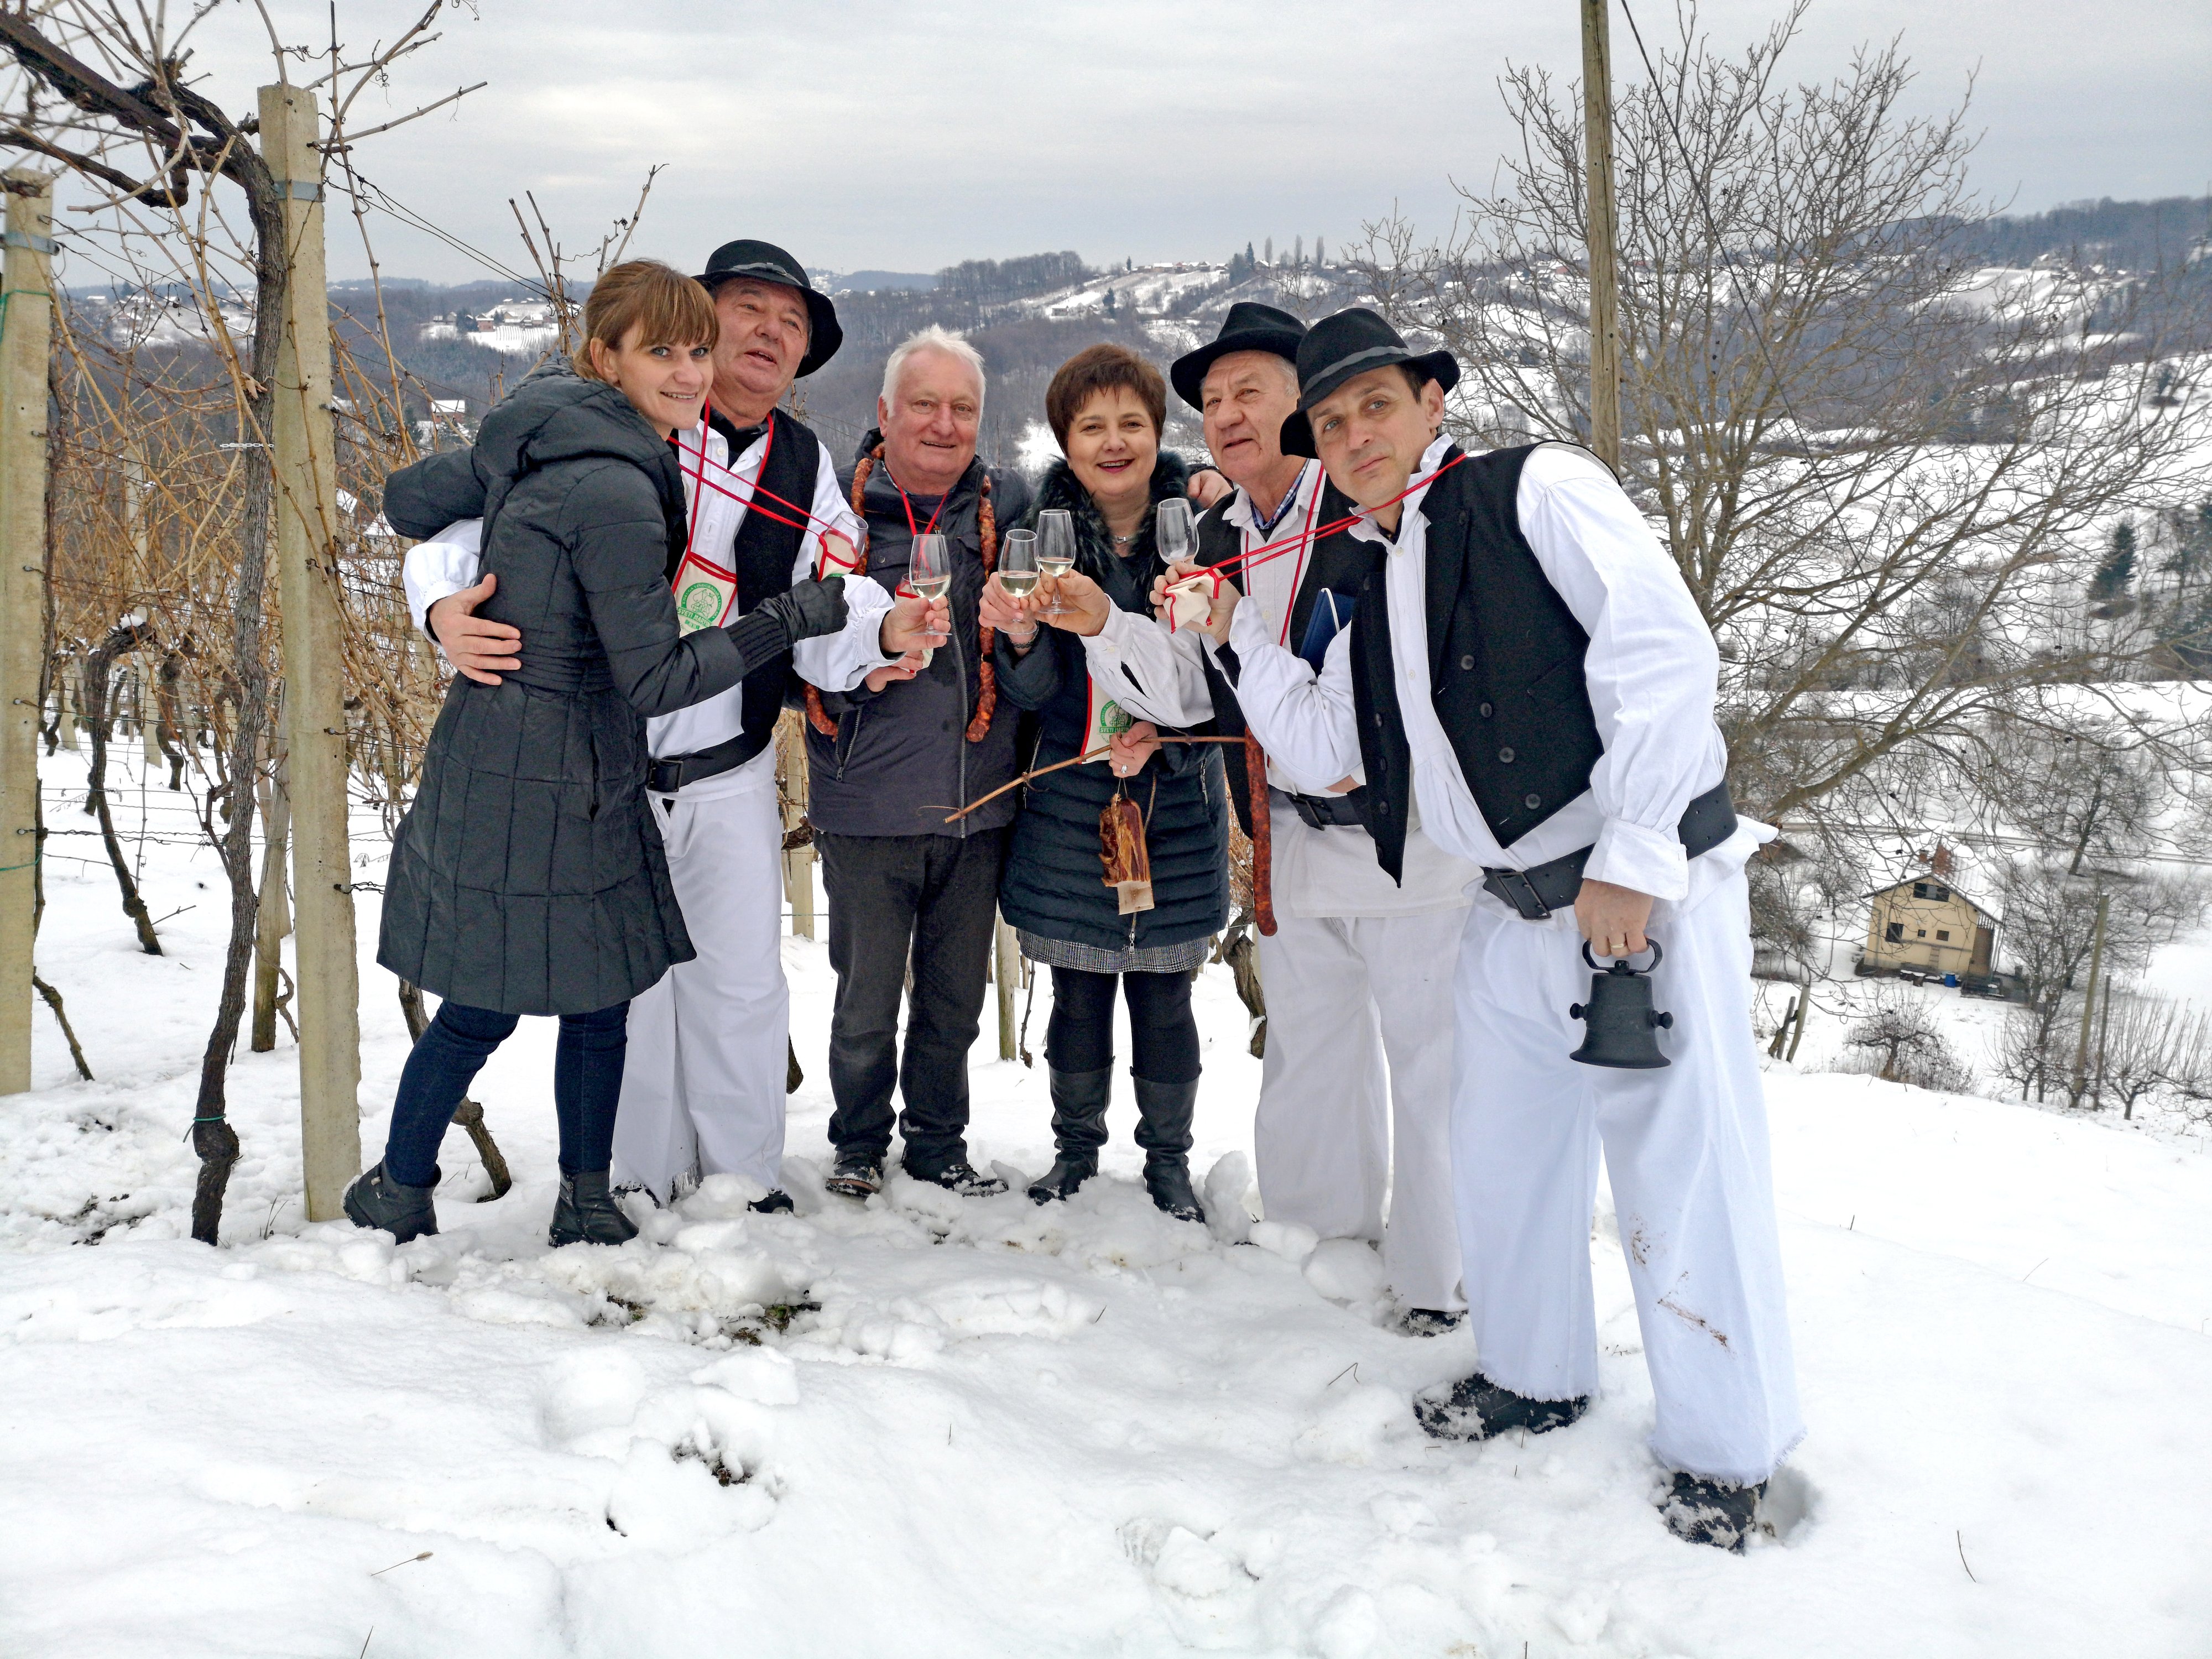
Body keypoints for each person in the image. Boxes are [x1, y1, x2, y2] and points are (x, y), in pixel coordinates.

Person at [1228, 307, 1801, 1550]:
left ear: (1431, 403)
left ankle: (1725, 1451)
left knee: (1678, 1173)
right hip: (1507, 911)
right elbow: (1327, 751)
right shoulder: (1381, 568)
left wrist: (1634, 857)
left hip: (1630, 898)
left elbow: (1660, 652)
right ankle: (1534, 1375)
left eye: (1374, 405)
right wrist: (1229, 632)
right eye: (1328, 423)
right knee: (1501, 1158)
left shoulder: (1537, 488)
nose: (1352, 435)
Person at [398, 241, 946, 1214]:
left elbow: (831, 602)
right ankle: (635, 1182)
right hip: (602, 764)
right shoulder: (608, 429)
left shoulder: (804, 461)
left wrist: (880, 633)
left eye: (793, 324)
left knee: (741, 984)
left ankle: (742, 1183)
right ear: (693, 328)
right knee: (629, 996)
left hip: (729, 760)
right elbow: (459, 531)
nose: (771, 335)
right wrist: (441, 609)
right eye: (749, 311)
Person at [1162, 304, 1477, 1333]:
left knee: (1432, 1063)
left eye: (1250, 389)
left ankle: (1443, 1281)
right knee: (1310, 1050)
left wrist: (1237, 638)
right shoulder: (1217, 530)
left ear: (1308, 405)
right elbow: (1220, 689)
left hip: (1408, 841)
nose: (1227, 415)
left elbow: (1322, 721)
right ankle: (1317, 1244)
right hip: (1289, 834)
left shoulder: (1365, 511)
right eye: (1211, 402)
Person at [978, 345, 1227, 1223]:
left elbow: (1225, 683)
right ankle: (1074, 1152)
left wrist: (1175, 743)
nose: (1113, 442)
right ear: (1065, 442)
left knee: (1165, 997)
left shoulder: (1199, 530)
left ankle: (1169, 1161)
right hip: (1072, 801)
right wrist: (1017, 644)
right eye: (1093, 427)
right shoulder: (1042, 540)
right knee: (1078, 994)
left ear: (1160, 434)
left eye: (1132, 423)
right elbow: (1038, 695)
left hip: (1176, 808)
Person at [806, 328, 1036, 1201]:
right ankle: (858, 1143)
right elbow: (791, 659)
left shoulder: (1009, 510)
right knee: (865, 1002)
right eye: (926, 405)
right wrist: (864, 670)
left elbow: (1108, 494)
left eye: (963, 408)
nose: (944, 424)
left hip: (979, 804)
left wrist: (1192, 480)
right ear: (885, 414)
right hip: (867, 803)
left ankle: (940, 1144)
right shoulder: (836, 514)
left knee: (954, 1006)